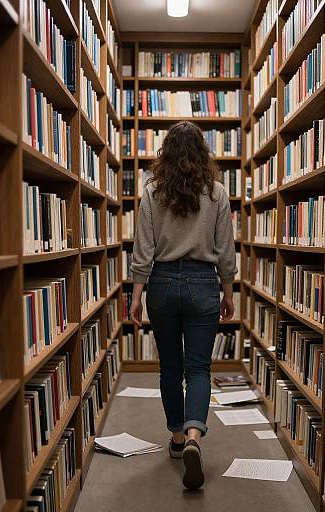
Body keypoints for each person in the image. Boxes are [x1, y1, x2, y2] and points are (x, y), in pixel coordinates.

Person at [129, 121, 237, 490]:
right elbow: (225, 250)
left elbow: (142, 251)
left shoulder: (151, 193)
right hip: (203, 283)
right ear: (203, 154)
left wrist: (136, 297)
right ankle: (194, 436)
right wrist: (228, 292)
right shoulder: (218, 193)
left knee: (170, 368)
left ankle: (176, 439)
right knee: (199, 370)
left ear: (166, 154)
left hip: (160, 284)